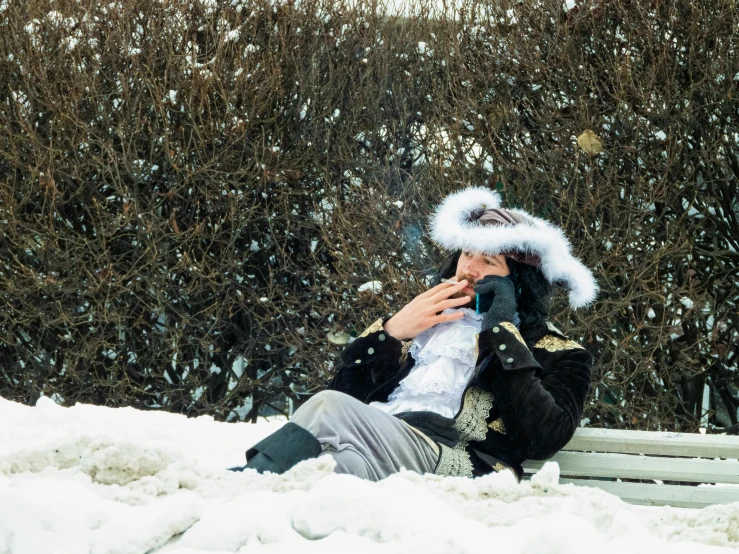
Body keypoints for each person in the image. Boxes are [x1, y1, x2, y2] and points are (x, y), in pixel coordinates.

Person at [233, 186, 598, 481]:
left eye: (488, 261)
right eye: (467, 253)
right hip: (382, 448)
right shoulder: (428, 323)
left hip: (459, 464)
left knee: (328, 405)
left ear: (518, 283)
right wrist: (393, 331)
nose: (469, 268)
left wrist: (500, 330)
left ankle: (240, 485)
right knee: (331, 472)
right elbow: (348, 395)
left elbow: (543, 438)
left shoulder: (562, 352)